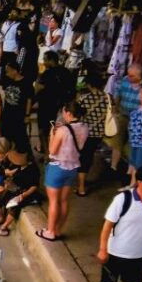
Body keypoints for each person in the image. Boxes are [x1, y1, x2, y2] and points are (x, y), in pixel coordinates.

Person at [36, 101, 88, 242]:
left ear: (69, 113)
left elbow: (52, 151)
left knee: (53, 202)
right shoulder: (84, 127)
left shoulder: (62, 130)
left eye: (64, 112)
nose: (63, 115)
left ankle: (50, 231)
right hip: (73, 168)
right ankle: (58, 229)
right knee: (64, 201)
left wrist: (53, 134)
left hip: (57, 167)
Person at [75, 71, 110, 196]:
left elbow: (77, 115)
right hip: (99, 133)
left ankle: (81, 187)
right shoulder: (107, 97)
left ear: (89, 84)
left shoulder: (84, 98)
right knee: (88, 156)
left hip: (84, 133)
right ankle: (82, 182)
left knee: (83, 158)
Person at [0, 150, 40, 236]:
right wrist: (6, 184)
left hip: (24, 192)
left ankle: (5, 226)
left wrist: (23, 195)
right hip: (13, 189)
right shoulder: (20, 167)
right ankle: (1, 218)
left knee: (13, 206)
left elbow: (34, 186)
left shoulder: (33, 170)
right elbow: (12, 174)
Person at [34, 50, 74, 155]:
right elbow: (71, 90)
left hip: (46, 107)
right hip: (61, 108)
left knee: (43, 130)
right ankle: (55, 151)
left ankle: (47, 153)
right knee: (56, 130)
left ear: (51, 60)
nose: (44, 62)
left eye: (45, 60)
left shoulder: (46, 74)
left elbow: (38, 89)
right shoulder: (66, 72)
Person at [108, 63, 142, 175]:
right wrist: (115, 108)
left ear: (140, 76)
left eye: (132, 76)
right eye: (129, 75)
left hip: (137, 119)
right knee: (117, 141)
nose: (129, 77)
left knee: (133, 143)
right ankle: (113, 166)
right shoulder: (125, 80)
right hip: (123, 115)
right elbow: (118, 95)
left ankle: (130, 170)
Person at [0, 62, 32, 155]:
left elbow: (29, 100)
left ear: (15, 71)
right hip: (7, 113)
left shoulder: (26, 83)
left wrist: (27, 115)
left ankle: (20, 155)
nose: (6, 73)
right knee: (6, 135)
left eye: (8, 71)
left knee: (19, 137)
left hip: (19, 115)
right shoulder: (7, 80)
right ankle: (7, 155)